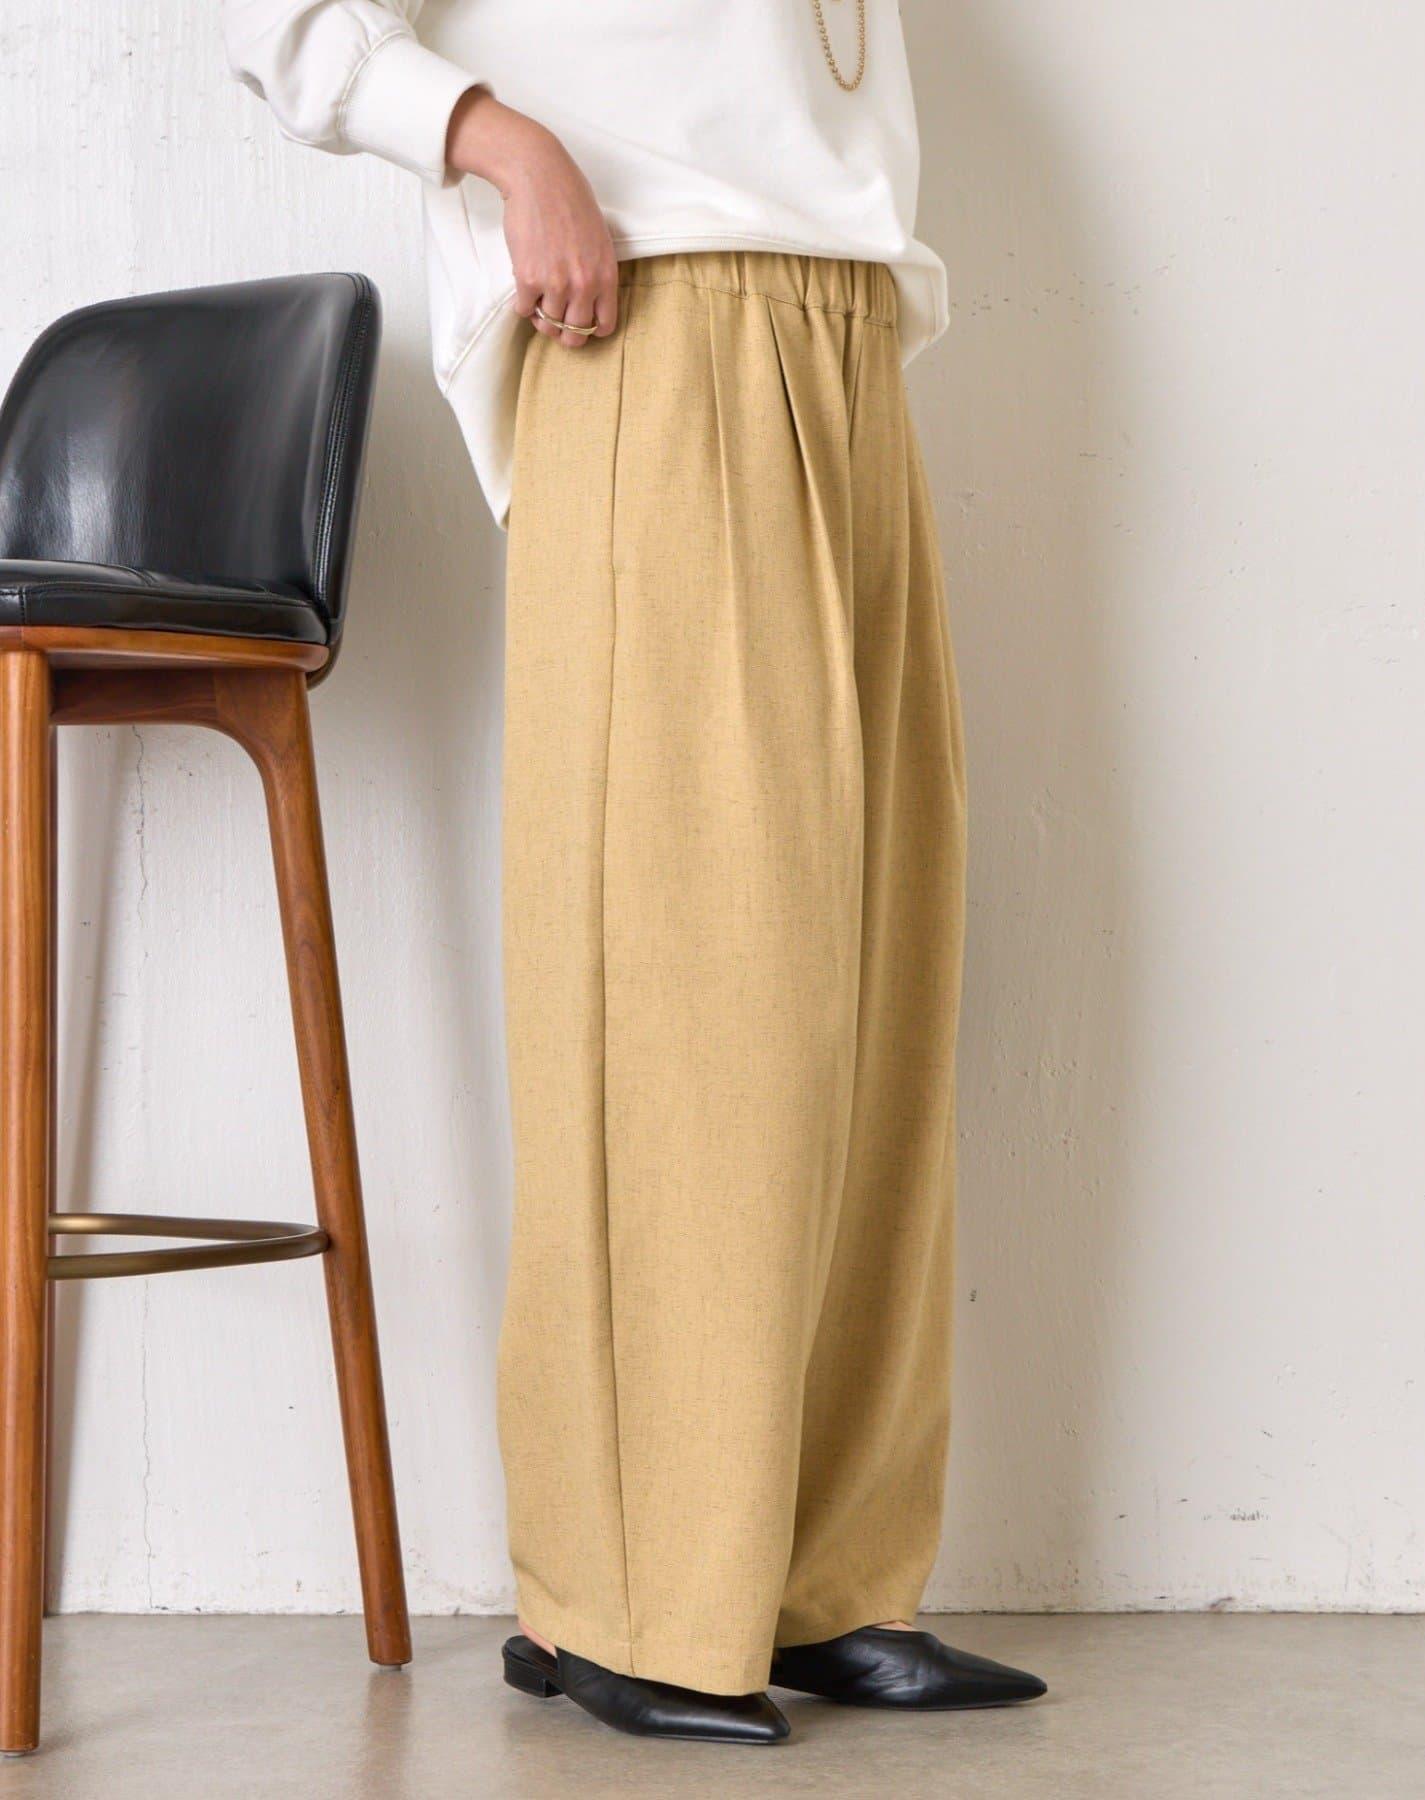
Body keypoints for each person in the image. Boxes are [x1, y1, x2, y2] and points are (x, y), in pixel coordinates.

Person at [224, 0, 1046, 1745]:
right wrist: (507, 148)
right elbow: (285, 22)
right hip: (654, 321)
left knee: (871, 987)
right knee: (688, 986)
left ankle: (821, 1578)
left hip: (842, 328)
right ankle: (616, 1597)